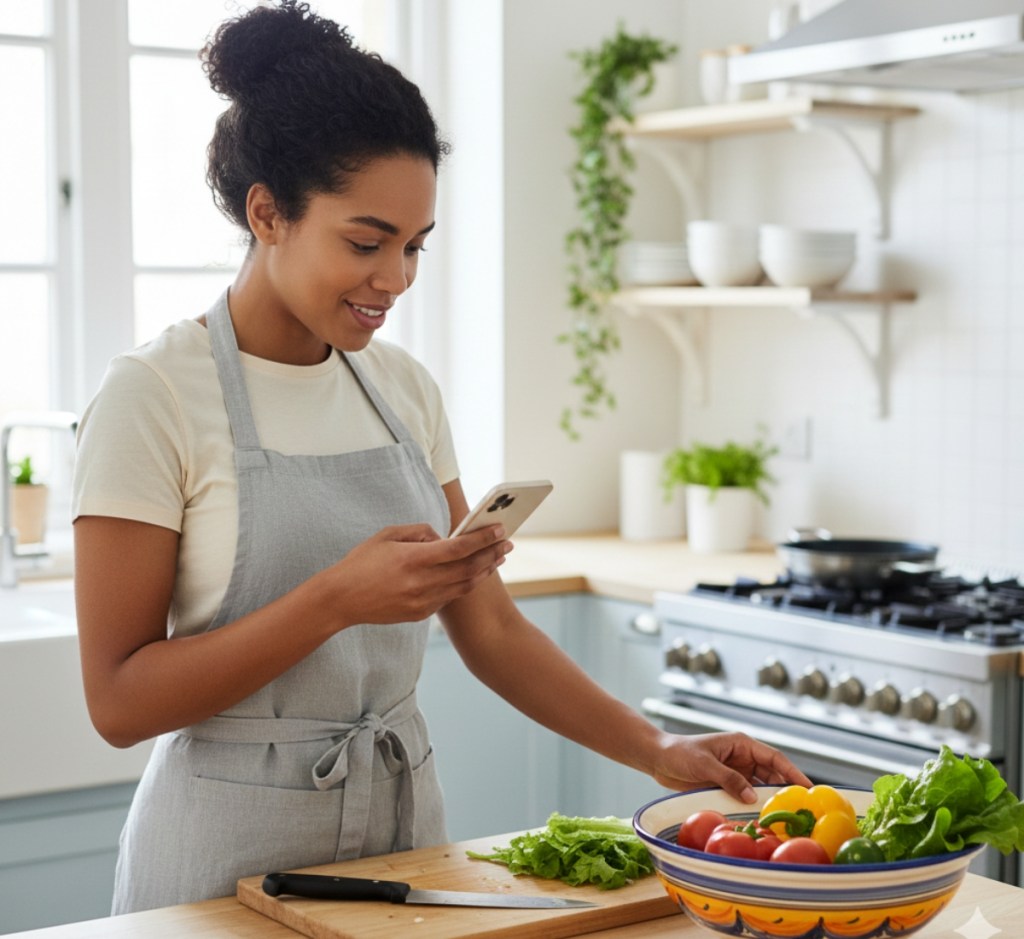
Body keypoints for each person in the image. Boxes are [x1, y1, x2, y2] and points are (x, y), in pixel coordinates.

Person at [72, 0, 811, 915]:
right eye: (365, 242)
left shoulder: (402, 388)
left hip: (401, 848)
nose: (395, 279)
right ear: (267, 213)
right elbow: (118, 701)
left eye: (414, 246)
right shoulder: (153, 395)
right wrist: (336, 598)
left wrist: (659, 750)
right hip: (217, 867)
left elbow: (489, 627)